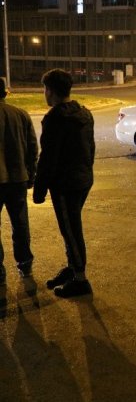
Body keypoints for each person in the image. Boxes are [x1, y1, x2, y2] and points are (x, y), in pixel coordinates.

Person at [33, 69, 95, 298]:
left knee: (71, 231)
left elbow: (48, 159)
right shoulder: (85, 113)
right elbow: (91, 148)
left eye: (45, 89)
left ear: (50, 91)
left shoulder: (54, 120)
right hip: (83, 180)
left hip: (65, 185)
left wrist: (39, 191)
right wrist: (87, 173)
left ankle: (80, 279)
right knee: (71, 228)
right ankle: (72, 268)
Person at [0, 78, 38, 284]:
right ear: (5, 93)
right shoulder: (20, 115)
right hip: (17, 180)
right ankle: (25, 264)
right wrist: (31, 176)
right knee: (20, 224)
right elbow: (33, 148)